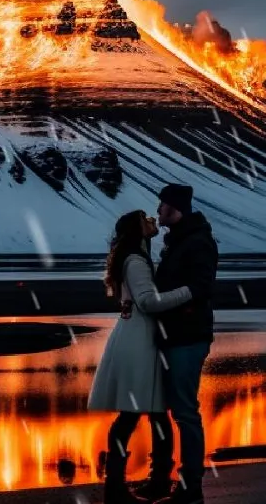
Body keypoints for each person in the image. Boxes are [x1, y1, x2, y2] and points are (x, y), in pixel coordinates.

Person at [87, 210, 193, 504]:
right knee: (148, 413)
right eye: (146, 218)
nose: (152, 220)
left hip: (136, 335)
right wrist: (188, 292)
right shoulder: (135, 260)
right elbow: (148, 302)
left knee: (142, 413)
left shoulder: (135, 256)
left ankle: (131, 482)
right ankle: (137, 483)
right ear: (137, 228)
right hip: (140, 340)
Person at [146, 184, 219, 504]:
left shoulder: (197, 242)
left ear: (175, 209)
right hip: (172, 336)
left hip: (188, 337)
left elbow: (200, 286)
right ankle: (161, 478)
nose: (158, 210)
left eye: (162, 206)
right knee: (159, 409)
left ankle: (190, 486)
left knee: (185, 411)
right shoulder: (180, 241)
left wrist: (163, 303)